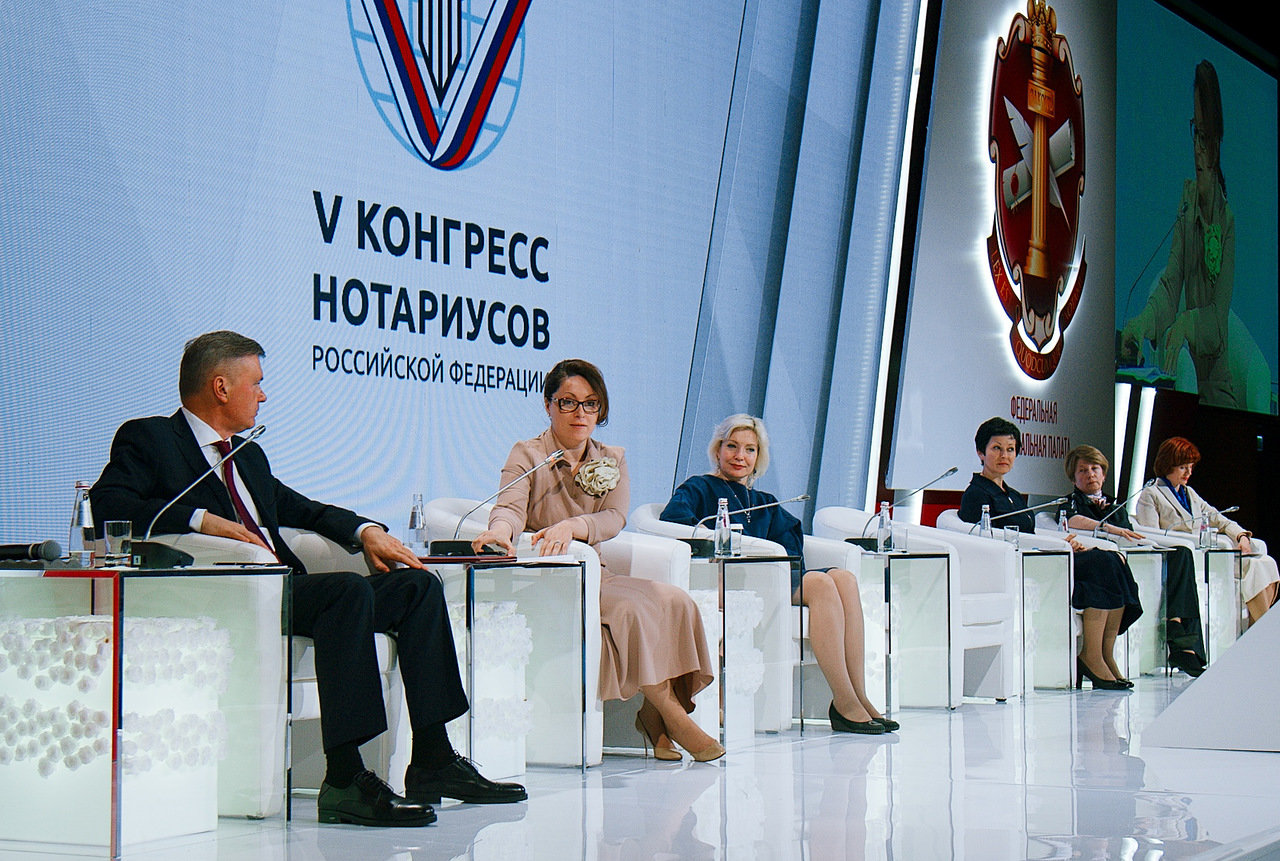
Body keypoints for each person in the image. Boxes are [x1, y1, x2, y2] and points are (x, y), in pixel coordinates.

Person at [90, 331, 525, 827]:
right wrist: (200, 520)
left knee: (417, 587)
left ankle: (433, 759)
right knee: (346, 591)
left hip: (285, 589)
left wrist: (365, 531)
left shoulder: (246, 455)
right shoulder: (152, 439)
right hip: (235, 595)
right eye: (256, 382)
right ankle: (344, 778)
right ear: (221, 387)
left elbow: (302, 508)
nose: (263, 395)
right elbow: (109, 504)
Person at [469, 359, 722, 762]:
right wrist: (500, 532)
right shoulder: (528, 453)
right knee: (631, 611)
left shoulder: (611, 457)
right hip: (552, 575)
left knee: (677, 601)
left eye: (590, 404)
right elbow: (509, 507)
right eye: (568, 402)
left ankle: (653, 716)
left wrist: (573, 526)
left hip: (596, 571)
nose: (580, 413)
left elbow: (615, 517)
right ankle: (673, 717)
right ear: (549, 405)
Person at [659, 415, 893, 734]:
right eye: (732, 446)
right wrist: (721, 538)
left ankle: (860, 696)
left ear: (759, 457)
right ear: (718, 449)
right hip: (733, 580)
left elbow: (790, 543)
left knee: (845, 579)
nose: (740, 456)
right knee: (821, 583)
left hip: (773, 576)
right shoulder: (699, 487)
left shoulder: (764, 501)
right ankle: (843, 701)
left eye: (750, 449)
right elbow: (676, 521)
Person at [958, 418, 1141, 691]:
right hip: (1020, 564)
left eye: (1010, 449)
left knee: (1113, 560)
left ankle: (1105, 654)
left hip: (1042, 555)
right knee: (1102, 563)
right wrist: (1053, 545)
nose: (1004, 455)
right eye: (996, 448)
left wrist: (1064, 542)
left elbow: (1029, 532)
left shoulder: (1013, 494)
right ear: (980, 453)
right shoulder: (976, 494)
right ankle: (1091, 655)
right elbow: (984, 539)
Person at [1120, 61, 1238, 408]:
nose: (1198, 148)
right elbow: (1171, 284)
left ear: (1217, 141)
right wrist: (1142, 323)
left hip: (1216, 396)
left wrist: (1186, 324)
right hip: (1183, 388)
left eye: (1206, 136)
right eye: (1194, 132)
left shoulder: (1226, 221)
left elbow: (1217, 324)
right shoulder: (1187, 200)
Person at [1062, 445, 1206, 677]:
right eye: (1083, 470)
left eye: (1095, 469)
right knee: (1114, 566)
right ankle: (1100, 656)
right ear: (1073, 477)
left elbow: (1128, 530)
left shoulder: (1114, 504)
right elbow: (1072, 520)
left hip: (1125, 553)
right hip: (1100, 557)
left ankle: (1177, 625)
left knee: (1181, 553)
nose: (1090, 475)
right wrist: (1107, 527)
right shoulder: (1071, 502)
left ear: (1104, 474)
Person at [1135, 437, 1278, 625]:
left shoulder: (1189, 493)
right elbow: (1152, 537)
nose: (1189, 472)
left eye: (1190, 467)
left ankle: (1258, 629)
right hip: (1184, 558)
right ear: (1168, 465)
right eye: (1183, 467)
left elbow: (1220, 519)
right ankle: (1263, 632)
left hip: (1206, 553)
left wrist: (1241, 536)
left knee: (1266, 563)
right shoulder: (1151, 494)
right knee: (1255, 567)